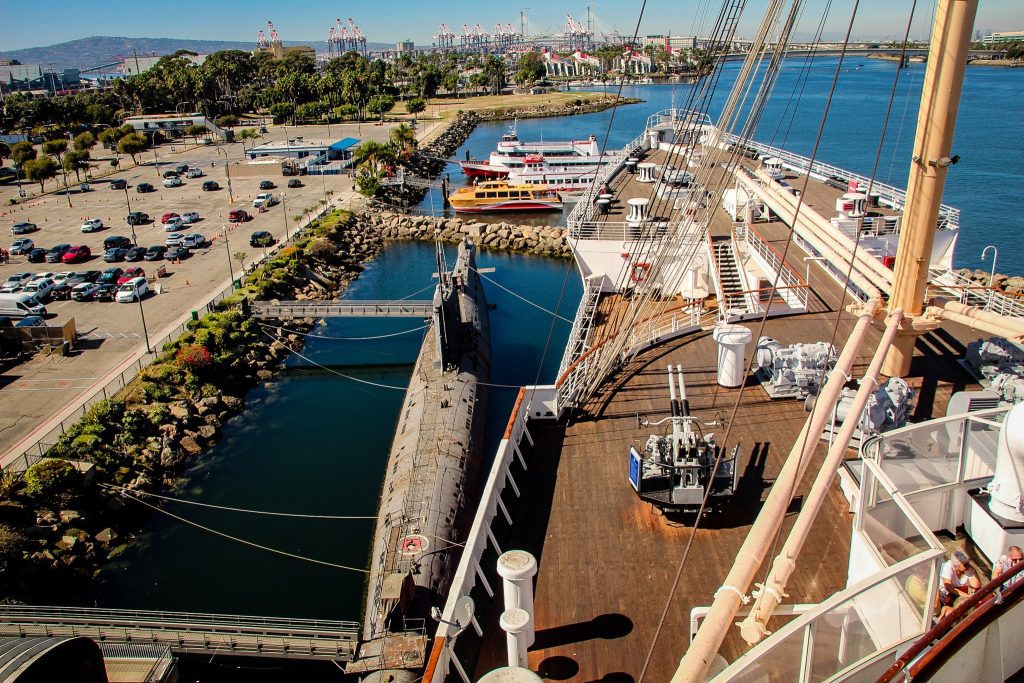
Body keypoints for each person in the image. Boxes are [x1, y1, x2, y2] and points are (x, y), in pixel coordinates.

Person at [936, 550, 981, 619]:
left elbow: (976, 586)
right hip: (945, 597)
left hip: (958, 595)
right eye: (965, 564)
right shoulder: (948, 567)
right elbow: (948, 587)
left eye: (968, 563)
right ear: (956, 566)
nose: (968, 566)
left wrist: (973, 572)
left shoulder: (967, 569)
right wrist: (968, 596)